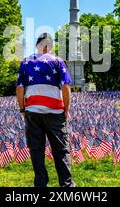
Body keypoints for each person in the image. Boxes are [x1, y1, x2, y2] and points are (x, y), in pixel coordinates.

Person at [15, 32, 76, 187]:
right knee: (61, 150)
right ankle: (67, 185)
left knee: (36, 150)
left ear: (37, 45)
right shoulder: (58, 61)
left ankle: (41, 185)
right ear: (50, 46)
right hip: (55, 112)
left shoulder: (26, 62)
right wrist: (66, 109)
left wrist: (22, 109)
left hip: (32, 112)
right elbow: (66, 87)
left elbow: (20, 89)